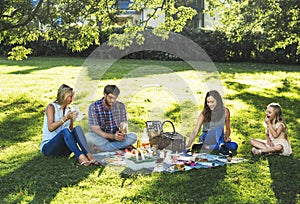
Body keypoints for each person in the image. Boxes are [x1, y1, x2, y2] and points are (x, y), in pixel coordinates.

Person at [40, 84, 99, 166]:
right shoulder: (51, 107)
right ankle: (81, 157)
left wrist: (71, 118)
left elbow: (70, 132)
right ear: (63, 96)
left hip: (64, 150)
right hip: (49, 148)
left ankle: (88, 154)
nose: (72, 99)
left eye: (72, 96)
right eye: (70, 96)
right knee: (64, 132)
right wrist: (66, 118)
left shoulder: (68, 110)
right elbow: (50, 128)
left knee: (77, 129)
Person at [86, 85, 137, 152]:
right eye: (110, 97)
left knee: (133, 137)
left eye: (115, 98)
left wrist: (122, 133)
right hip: (100, 137)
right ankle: (118, 146)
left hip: (115, 137)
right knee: (88, 137)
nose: (112, 101)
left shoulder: (120, 106)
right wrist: (113, 136)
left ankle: (102, 149)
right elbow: (96, 129)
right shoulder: (93, 107)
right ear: (104, 94)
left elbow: (123, 124)